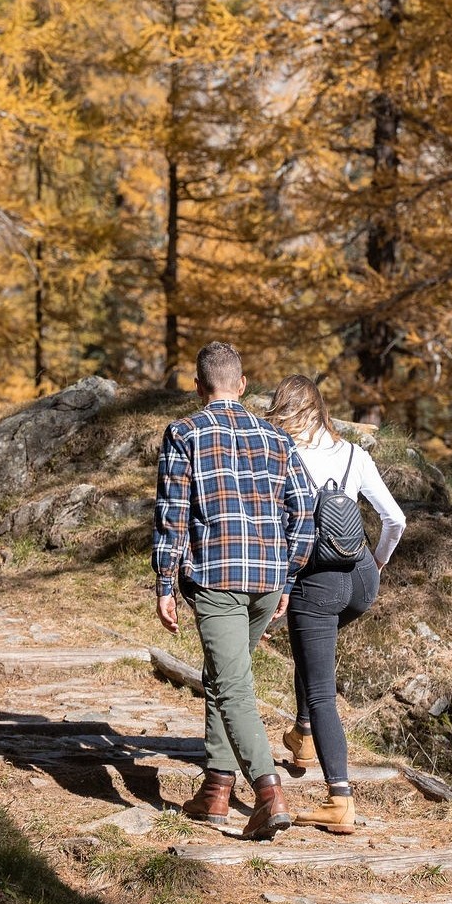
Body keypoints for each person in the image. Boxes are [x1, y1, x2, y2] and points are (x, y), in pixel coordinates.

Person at [153, 342, 316, 841]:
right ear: (242, 385)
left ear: (199, 386)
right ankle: (216, 790)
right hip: (267, 580)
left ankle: (269, 796)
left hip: (218, 578)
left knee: (230, 686)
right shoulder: (277, 437)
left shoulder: (184, 433)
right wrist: (288, 573)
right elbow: (305, 508)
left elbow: (172, 514)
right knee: (224, 674)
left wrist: (164, 581)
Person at [266, 374, 405, 835]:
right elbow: (395, 520)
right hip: (362, 579)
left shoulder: (283, 456)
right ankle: (303, 735)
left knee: (323, 689)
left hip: (316, 582)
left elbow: (273, 529)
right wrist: (377, 564)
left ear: (285, 412)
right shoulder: (354, 454)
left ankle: (339, 798)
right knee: (313, 655)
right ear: (322, 410)